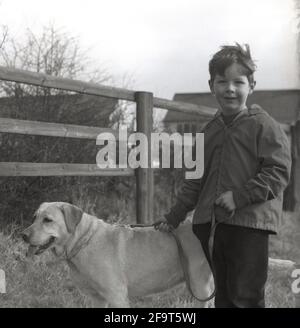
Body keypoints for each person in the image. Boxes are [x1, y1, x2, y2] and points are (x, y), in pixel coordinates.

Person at [155, 43, 291, 308]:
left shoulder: (264, 126)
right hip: (210, 226)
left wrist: (240, 197)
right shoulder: (206, 133)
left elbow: (278, 172)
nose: (230, 88)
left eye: (238, 82)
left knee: (245, 296)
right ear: (211, 85)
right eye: (222, 81)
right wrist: (173, 216)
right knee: (225, 296)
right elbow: (194, 182)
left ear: (251, 85)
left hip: (248, 225)